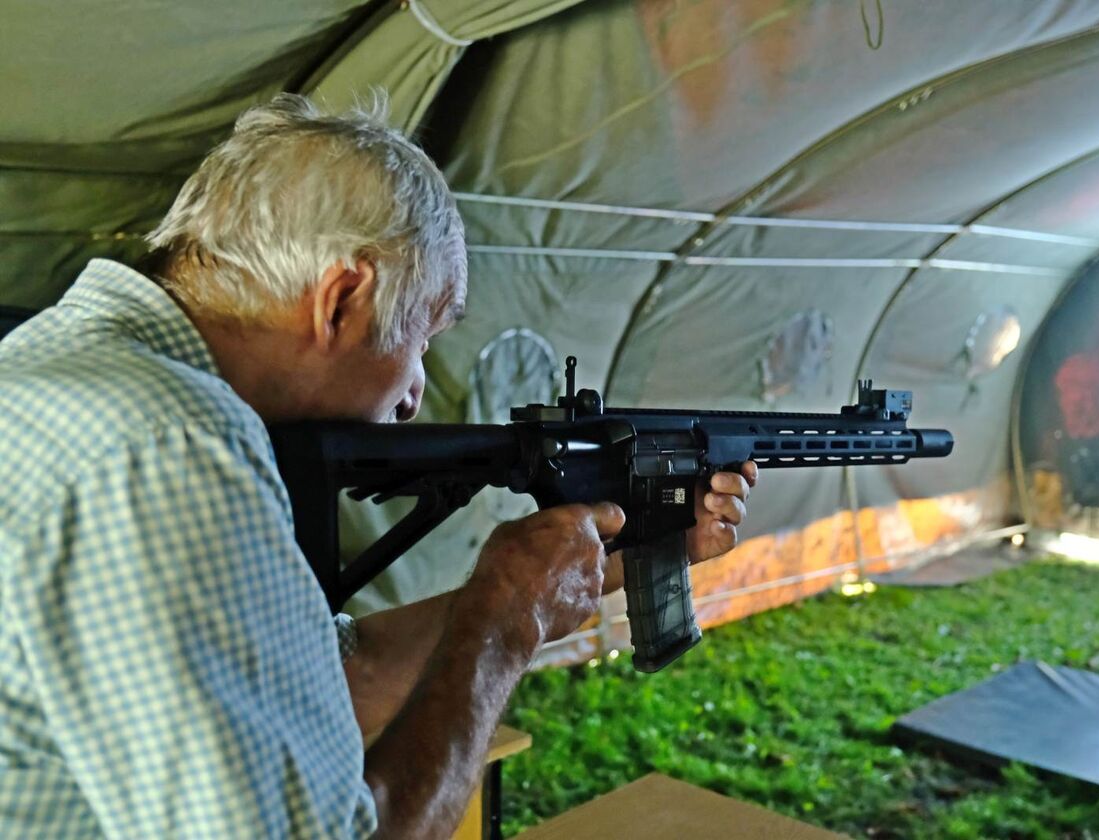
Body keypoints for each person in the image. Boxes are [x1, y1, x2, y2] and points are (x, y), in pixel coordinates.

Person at [0, 94, 757, 838]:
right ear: (343, 298)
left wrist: (583, 570)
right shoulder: (171, 447)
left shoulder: (58, 373)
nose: (414, 392)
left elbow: (333, 674)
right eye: (422, 336)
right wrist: (505, 620)